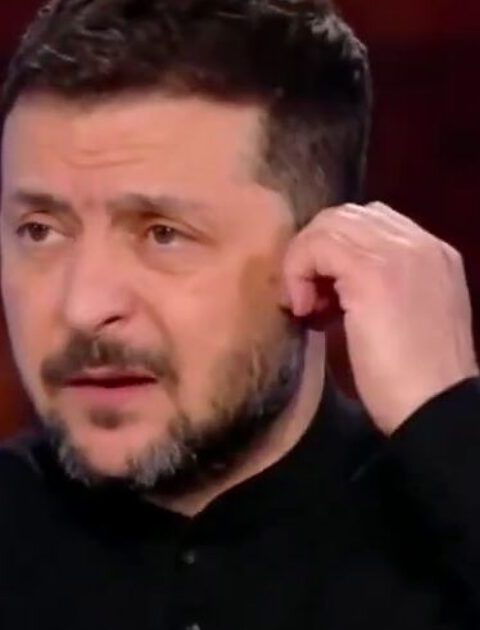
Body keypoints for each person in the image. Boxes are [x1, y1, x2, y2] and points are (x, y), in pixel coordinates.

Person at [1, 0, 480, 628]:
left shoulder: (446, 533)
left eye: (164, 233)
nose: (83, 308)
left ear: (320, 257)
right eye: (39, 230)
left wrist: (447, 417)